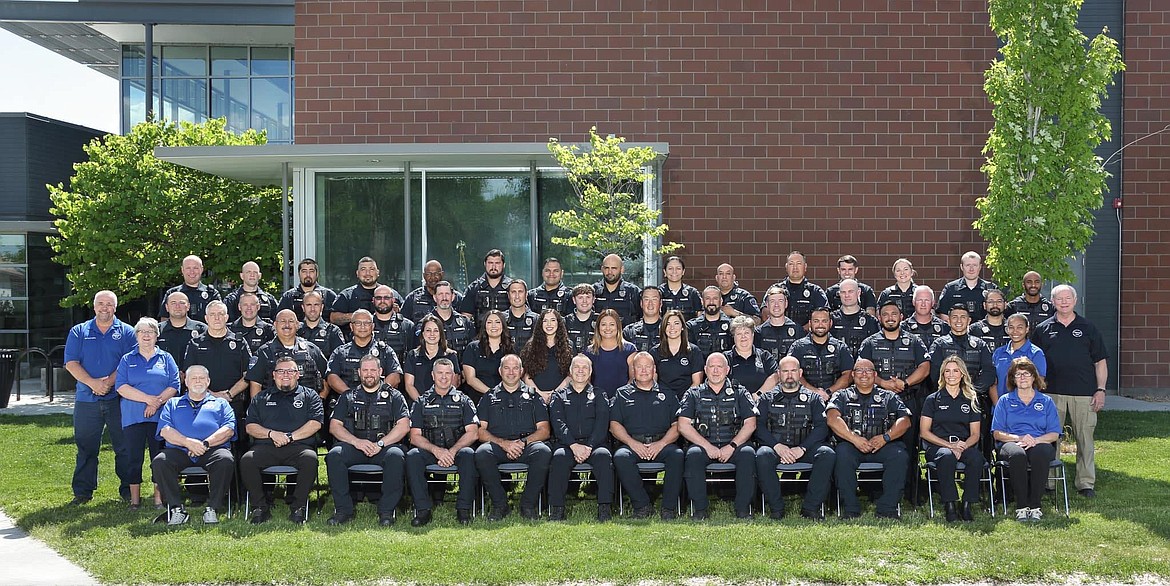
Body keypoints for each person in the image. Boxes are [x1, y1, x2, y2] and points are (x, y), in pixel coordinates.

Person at [1030, 284, 1108, 498]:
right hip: (1051, 394)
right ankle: (1050, 481)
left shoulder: (1088, 328)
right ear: (1052, 302)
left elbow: (1100, 362)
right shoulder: (1043, 329)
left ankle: (1085, 483)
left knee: (1085, 439)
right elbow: (1034, 364)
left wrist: (1100, 390)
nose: (1064, 302)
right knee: (1050, 438)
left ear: (1075, 301)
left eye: (1068, 298)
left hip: (1084, 393)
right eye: (1059, 299)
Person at [64, 290, 136, 505]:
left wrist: (107, 383)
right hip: (87, 399)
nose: (105, 308)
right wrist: (93, 383)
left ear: (116, 307)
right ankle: (83, 492)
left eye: (109, 304)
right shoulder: (79, 331)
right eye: (101, 304)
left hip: (118, 399)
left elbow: (128, 362)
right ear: (94, 306)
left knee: (124, 447)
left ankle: (127, 490)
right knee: (86, 446)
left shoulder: (127, 332)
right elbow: (71, 363)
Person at [857, 299, 931, 501]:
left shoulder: (914, 341)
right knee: (876, 443)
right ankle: (872, 490)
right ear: (879, 318)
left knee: (908, 447)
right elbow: (861, 368)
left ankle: (908, 491)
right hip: (876, 403)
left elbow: (925, 367)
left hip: (908, 400)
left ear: (902, 317)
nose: (890, 318)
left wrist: (905, 383)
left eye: (894, 314)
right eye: (886, 314)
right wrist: (882, 382)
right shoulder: (870, 343)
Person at [325, 355, 410, 526]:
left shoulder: (394, 396)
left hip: (384, 447)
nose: (369, 374)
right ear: (359, 372)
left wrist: (381, 444)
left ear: (380, 372)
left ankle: (386, 511)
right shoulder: (347, 397)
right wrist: (356, 442)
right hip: (355, 446)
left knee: (396, 455)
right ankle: (343, 510)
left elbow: (404, 426)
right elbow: (334, 426)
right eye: (365, 370)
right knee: (334, 455)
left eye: (373, 370)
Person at [241, 356, 324, 524]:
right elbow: (250, 426)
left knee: (310, 459)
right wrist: (272, 434)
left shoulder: (310, 396)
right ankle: (260, 508)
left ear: (297, 374)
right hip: (267, 447)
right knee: (247, 460)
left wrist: (289, 437)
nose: (285, 374)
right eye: (280, 371)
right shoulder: (261, 398)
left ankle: (298, 507)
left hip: (298, 447)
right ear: (273, 375)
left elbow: (315, 423)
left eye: (290, 371)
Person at [826, 358, 912, 520]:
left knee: (900, 455)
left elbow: (905, 420)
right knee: (841, 454)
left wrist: (886, 437)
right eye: (859, 370)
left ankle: (887, 508)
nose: (864, 374)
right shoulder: (842, 395)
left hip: (883, 445)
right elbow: (832, 418)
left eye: (868, 371)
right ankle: (851, 509)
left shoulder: (888, 397)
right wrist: (855, 439)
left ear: (875, 375)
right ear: (853, 374)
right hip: (852, 446)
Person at [151, 365, 236, 525]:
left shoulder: (221, 404)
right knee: (160, 462)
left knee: (225, 459)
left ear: (208, 381)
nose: (198, 381)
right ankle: (176, 509)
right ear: (186, 382)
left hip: (212, 449)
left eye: (202, 378)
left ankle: (213, 508)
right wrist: (188, 443)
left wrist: (205, 444)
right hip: (179, 450)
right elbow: (165, 430)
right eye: (194, 378)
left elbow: (228, 430)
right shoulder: (173, 404)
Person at [678, 352, 758, 519]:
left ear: (727, 369)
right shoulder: (694, 393)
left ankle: (743, 509)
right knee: (693, 455)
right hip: (704, 446)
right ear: (705, 370)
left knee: (748, 454)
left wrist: (732, 446)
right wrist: (707, 447)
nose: (715, 371)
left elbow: (751, 424)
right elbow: (683, 425)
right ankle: (700, 510)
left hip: (733, 445)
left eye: (719, 367)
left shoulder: (740, 392)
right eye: (711, 367)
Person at [754, 356, 836, 520]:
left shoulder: (814, 398)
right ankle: (776, 509)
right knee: (762, 455)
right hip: (776, 448)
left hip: (804, 448)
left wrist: (802, 448)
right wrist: (777, 446)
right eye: (785, 371)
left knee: (827, 453)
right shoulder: (766, 398)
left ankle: (811, 508)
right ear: (779, 374)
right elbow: (759, 427)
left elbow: (821, 427)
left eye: (793, 371)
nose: (789, 375)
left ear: (800, 373)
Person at [474, 354, 552, 520]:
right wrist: (504, 444)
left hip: (527, 445)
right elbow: (480, 431)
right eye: (507, 368)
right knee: (482, 453)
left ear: (522, 371)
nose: (511, 372)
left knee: (543, 451)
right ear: (500, 371)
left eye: (515, 368)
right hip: (498, 445)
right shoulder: (489, 397)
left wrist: (522, 443)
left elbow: (544, 430)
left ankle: (528, 505)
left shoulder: (533, 396)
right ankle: (500, 505)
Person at [116, 317, 181, 510]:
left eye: (150, 331)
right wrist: (148, 400)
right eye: (142, 332)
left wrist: (157, 402)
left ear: (157, 335)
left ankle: (158, 499)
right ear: (136, 335)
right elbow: (121, 386)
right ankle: (135, 501)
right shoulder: (127, 359)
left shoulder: (166, 358)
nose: (146, 335)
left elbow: (175, 385)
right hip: (133, 417)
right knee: (133, 458)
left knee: (158, 458)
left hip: (160, 418)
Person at [610, 352, 685, 520]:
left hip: (662, 444)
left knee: (678, 455)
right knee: (621, 457)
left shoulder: (668, 394)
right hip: (633, 444)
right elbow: (614, 425)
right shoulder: (622, 394)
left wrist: (661, 443)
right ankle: (642, 506)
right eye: (639, 367)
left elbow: (677, 425)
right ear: (632, 370)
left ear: (654, 369)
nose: (644, 370)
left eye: (647, 366)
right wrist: (632, 443)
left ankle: (668, 508)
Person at [406, 358, 480, 526]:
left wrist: (452, 451)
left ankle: (464, 509)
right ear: (432, 375)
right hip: (431, 451)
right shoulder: (421, 402)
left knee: (469, 454)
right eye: (440, 373)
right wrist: (436, 451)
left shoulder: (464, 400)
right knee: (413, 456)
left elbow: (473, 433)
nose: (444, 377)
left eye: (448, 373)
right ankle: (423, 510)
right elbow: (415, 436)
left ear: (454, 376)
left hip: (457, 450)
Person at [991, 357, 1061, 522]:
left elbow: (1054, 434)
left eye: (1026, 374)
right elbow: (997, 433)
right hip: (1011, 444)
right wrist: (1020, 438)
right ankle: (1022, 506)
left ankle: (1035, 506)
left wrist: (1035, 440)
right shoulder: (1004, 401)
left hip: (1039, 442)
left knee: (1041, 453)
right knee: (1018, 455)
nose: (1022, 377)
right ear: (1012, 379)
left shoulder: (1046, 402)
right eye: (1018, 374)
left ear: (1034, 377)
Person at [547, 355, 614, 521]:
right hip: (567, 444)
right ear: (570, 371)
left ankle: (604, 508)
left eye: (585, 368)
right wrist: (573, 445)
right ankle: (557, 509)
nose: (580, 371)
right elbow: (558, 423)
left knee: (604, 457)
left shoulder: (599, 394)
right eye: (577, 367)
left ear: (591, 372)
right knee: (559, 458)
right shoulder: (559, 396)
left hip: (595, 444)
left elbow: (602, 423)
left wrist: (589, 446)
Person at [920, 356, 984, 522]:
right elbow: (924, 432)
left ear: (962, 374)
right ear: (942, 375)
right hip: (937, 446)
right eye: (947, 371)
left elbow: (975, 434)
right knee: (947, 456)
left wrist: (961, 446)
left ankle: (967, 504)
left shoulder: (970, 399)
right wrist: (949, 446)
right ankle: (950, 504)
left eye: (955, 370)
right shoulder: (932, 400)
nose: (951, 374)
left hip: (964, 445)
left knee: (976, 459)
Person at [182, 300, 252, 448]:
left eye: (221, 314)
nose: (217, 318)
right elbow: (189, 377)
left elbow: (248, 374)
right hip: (203, 404)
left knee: (238, 450)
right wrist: (212, 395)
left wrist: (229, 395)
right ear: (206, 318)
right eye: (212, 314)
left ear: (227, 317)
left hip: (234, 403)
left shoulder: (239, 342)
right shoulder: (196, 343)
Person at [246, 309, 328, 400]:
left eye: (291, 321)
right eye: (283, 321)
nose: (287, 325)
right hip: (273, 408)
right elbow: (255, 384)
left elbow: (327, 377)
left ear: (297, 325)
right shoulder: (264, 352)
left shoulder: (312, 350)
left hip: (306, 407)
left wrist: (320, 400)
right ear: (275, 325)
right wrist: (259, 410)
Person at [325, 309, 403, 404]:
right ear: (351, 326)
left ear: (373, 326)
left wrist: (379, 392)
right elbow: (332, 377)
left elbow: (395, 375)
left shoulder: (385, 350)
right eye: (358, 323)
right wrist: (350, 395)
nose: (362, 327)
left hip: (379, 402)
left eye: (367, 323)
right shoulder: (340, 352)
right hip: (348, 404)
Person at [787, 307, 854, 401]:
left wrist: (828, 392)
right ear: (810, 324)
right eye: (816, 321)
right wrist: (814, 391)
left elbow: (848, 375)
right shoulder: (798, 347)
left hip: (834, 399)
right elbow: (791, 372)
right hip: (804, 399)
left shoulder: (841, 347)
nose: (820, 325)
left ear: (830, 323)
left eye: (824, 321)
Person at [403, 314, 462, 402]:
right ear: (423, 333)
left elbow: (454, 384)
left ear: (441, 333)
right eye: (428, 330)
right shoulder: (413, 355)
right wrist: (422, 403)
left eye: (436, 331)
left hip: (444, 405)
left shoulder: (451, 356)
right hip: (418, 406)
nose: (432, 334)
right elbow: (409, 385)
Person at [519, 309, 573, 403]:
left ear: (558, 323)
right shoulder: (530, 346)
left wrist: (554, 394)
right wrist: (539, 394)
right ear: (540, 324)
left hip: (561, 399)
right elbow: (525, 374)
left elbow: (571, 375)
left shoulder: (569, 346)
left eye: (552, 320)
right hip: (535, 398)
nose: (549, 324)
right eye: (545, 321)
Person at [461, 310, 514, 404]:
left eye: (497, 322)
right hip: (477, 399)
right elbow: (470, 379)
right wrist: (491, 393)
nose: (493, 326)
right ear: (484, 326)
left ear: (503, 326)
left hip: (505, 399)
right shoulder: (473, 348)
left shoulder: (511, 349)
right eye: (489, 322)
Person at [651, 309, 705, 399]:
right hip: (662, 400)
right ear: (663, 327)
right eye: (668, 324)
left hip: (687, 401)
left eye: (676, 323)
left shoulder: (694, 351)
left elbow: (697, 383)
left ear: (682, 327)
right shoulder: (655, 352)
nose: (672, 328)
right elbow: (653, 382)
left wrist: (686, 401)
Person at [331, 256, 397, 329]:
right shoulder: (347, 295)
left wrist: (394, 312)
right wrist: (358, 316)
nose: (367, 273)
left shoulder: (390, 293)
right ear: (357, 273)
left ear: (377, 272)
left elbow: (404, 317)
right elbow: (333, 318)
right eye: (363, 269)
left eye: (371, 269)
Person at [584, 309, 637, 399]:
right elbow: (587, 381)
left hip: (622, 401)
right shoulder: (590, 351)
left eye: (612, 324)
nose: (607, 328)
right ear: (598, 327)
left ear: (618, 326)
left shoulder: (629, 349)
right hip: (597, 401)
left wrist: (622, 397)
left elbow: (633, 379)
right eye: (603, 325)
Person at [993, 313, 1047, 400]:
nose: (1015, 331)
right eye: (1011, 327)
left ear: (1027, 329)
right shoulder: (998, 353)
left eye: (1020, 327)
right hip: (1001, 407)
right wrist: (998, 406)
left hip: (1025, 408)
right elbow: (993, 384)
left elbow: (1039, 383)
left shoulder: (1036, 353)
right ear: (1006, 330)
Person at [723, 315, 780, 396]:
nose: (743, 337)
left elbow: (776, 376)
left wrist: (757, 395)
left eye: (746, 333)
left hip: (761, 404)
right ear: (733, 336)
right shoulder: (725, 358)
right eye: (739, 334)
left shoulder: (765, 356)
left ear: (753, 334)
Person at [938, 251, 1000, 324]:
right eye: (968, 265)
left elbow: (999, 313)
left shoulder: (991, 289)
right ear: (962, 267)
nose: (971, 269)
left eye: (975, 265)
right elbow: (944, 315)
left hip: (985, 333)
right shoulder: (950, 288)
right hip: (959, 332)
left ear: (980, 267)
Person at [773, 250, 827, 329]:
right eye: (791, 264)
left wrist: (801, 332)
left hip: (807, 338)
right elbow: (765, 313)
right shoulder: (775, 289)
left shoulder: (815, 291)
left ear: (805, 267)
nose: (795, 267)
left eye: (799, 263)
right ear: (786, 267)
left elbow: (824, 315)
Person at [159, 255, 220, 322]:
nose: (192, 272)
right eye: (188, 268)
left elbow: (219, 317)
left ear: (202, 269)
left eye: (195, 268)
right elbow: (164, 319)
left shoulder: (212, 294)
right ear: (182, 270)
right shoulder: (172, 293)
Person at [457, 248, 512, 322]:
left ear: (503, 265)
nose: (493, 267)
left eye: (497, 263)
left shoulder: (512, 288)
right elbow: (466, 317)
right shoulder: (474, 288)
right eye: (490, 263)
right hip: (480, 332)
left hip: (507, 332)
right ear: (485, 264)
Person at [157, 292, 207, 370]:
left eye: (182, 303)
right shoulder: (157, 330)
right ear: (166, 307)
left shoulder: (202, 330)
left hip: (194, 379)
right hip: (164, 378)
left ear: (188, 307)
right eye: (173, 303)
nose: (177, 306)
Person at [277, 257, 338, 322]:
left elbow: (336, 319)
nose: (308, 275)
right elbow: (279, 320)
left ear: (317, 274)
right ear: (299, 274)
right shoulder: (288, 297)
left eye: (311, 271)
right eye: (304, 271)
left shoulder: (329, 296)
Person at [830, 279, 879, 357]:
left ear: (858, 292)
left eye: (850, 292)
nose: (847, 295)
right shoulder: (831, 320)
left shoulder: (870, 321)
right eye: (843, 292)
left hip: (862, 366)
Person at [429, 280, 477, 356]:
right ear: (434, 297)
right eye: (440, 294)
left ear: (453, 296)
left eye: (447, 294)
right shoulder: (426, 324)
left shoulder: (465, 323)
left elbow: (474, 350)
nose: (444, 298)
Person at [593, 253, 642, 326]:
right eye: (607, 268)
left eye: (614, 268)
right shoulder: (592, 292)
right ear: (602, 269)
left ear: (622, 269)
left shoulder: (633, 292)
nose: (610, 272)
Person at [371, 284, 417, 359]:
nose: (382, 301)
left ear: (393, 300)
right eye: (378, 298)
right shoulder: (365, 325)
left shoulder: (407, 326)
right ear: (373, 300)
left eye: (386, 298)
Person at [756, 287, 802, 360]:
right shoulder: (759, 332)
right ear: (767, 304)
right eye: (772, 301)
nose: (776, 305)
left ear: (786, 304)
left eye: (780, 301)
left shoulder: (798, 330)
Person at [299, 290, 346, 359]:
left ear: (322, 307)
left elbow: (340, 360)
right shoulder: (296, 330)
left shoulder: (333, 331)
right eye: (309, 305)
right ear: (303, 307)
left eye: (316, 305)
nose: (312, 309)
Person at [687, 286, 733, 357]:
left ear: (721, 301)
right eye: (708, 298)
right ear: (702, 301)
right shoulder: (692, 327)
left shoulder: (732, 326)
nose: (711, 302)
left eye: (715, 298)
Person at [902, 285, 950, 350]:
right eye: (920, 300)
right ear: (913, 302)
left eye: (927, 300)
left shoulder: (945, 328)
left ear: (933, 303)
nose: (923, 304)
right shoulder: (903, 328)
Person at [229, 291, 276, 357]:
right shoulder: (229, 330)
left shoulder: (269, 331)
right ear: (239, 307)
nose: (249, 308)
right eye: (245, 305)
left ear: (258, 307)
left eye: (252, 304)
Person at [623, 286, 663, 352]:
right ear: (641, 303)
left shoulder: (669, 330)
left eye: (654, 299)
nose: (650, 304)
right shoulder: (629, 332)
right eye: (646, 299)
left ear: (661, 303)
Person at [503, 279, 540, 351]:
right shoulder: (501, 319)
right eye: (513, 292)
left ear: (526, 294)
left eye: (520, 292)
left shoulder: (537, 319)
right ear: (508, 295)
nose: (517, 296)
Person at [565, 283, 598, 355]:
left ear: (593, 299)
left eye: (588, 297)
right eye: (580, 297)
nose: (584, 301)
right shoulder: (565, 322)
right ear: (574, 300)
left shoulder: (601, 321)